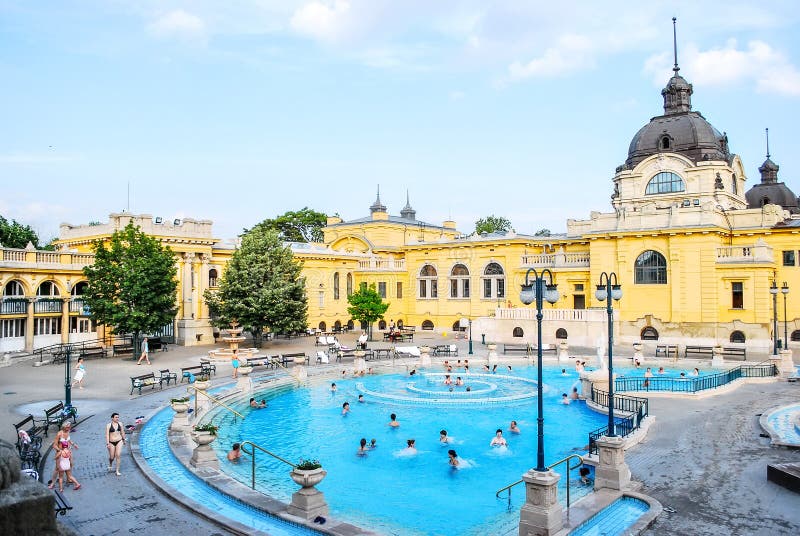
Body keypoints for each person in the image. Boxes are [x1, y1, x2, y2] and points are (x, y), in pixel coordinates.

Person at [48, 422, 78, 489]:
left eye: (70, 427)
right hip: (60, 452)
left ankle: (68, 479)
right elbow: (54, 445)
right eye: (68, 427)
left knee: (70, 464)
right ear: (64, 427)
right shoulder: (59, 434)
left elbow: (68, 440)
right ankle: (52, 483)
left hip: (68, 451)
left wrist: (74, 444)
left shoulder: (68, 431)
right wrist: (60, 451)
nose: (69, 428)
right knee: (57, 468)